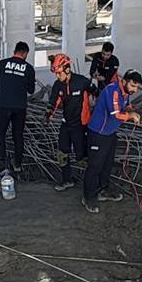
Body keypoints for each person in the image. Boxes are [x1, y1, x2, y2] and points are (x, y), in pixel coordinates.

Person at [82, 69, 142, 213]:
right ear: (125, 81)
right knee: (95, 166)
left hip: (110, 133)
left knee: (107, 164)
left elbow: (126, 106)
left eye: (137, 87)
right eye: (133, 85)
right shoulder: (113, 90)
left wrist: (131, 110)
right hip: (98, 133)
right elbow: (116, 115)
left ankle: (104, 190)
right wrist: (130, 115)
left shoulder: (125, 92)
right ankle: (88, 197)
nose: (134, 89)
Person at [45, 54, 94, 191]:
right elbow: (53, 102)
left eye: (59, 73)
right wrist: (48, 115)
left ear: (67, 69)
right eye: (55, 74)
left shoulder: (82, 82)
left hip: (81, 125)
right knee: (62, 153)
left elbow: (97, 93)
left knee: (82, 156)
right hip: (66, 124)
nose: (57, 76)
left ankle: (91, 183)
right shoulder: (58, 85)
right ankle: (67, 180)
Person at [0, 41, 36, 175]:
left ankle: (1, 164)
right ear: (25, 54)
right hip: (19, 107)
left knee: (0, 134)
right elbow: (31, 90)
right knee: (18, 135)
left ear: (15, 51)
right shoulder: (28, 68)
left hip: (3, 105)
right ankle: (17, 164)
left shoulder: (2, 64)